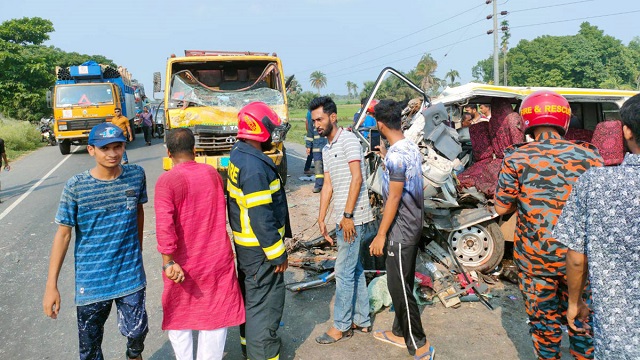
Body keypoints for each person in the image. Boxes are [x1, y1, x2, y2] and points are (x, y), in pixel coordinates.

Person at [494, 90, 602, 360]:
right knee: (582, 324)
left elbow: (501, 207)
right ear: (564, 120)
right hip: (580, 259)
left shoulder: (516, 158)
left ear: (528, 122)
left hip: (535, 261)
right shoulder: (591, 157)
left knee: (544, 327)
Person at [42, 123, 148, 360]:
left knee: (137, 335)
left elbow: (138, 212)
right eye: (105, 148)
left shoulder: (136, 176)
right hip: (92, 282)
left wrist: (138, 250)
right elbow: (63, 234)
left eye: (118, 146)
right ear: (91, 150)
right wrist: (52, 285)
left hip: (130, 275)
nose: (112, 154)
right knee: (90, 349)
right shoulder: (76, 186)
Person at [553, 93, 640, 359]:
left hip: (619, 338)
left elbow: (577, 259)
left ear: (625, 131)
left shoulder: (595, 183)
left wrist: (574, 302)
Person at [155, 128, 245, 360]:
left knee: (179, 313)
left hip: (182, 263)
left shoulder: (167, 181)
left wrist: (168, 262)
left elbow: (165, 226)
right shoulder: (211, 173)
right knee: (215, 314)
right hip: (216, 258)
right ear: (195, 150)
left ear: (168, 152)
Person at [369, 100, 434, 360]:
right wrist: (385, 157)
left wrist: (381, 234)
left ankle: (420, 344)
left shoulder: (397, 154)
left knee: (399, 289)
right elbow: (402, 178)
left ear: (380, 124)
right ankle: (398, 331)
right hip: (414, 224)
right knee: (403, 280)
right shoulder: (408, 147)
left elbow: (394, 198)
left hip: (400, 230)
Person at [227, 101, 291, 360]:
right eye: (271, 128)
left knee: (252, 302)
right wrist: (277, 253)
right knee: (265, 307)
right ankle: (264, 355)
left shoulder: (240, 153)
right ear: (258, 129)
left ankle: (249, 347)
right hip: (261, 250)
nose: (274, 133)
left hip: (248, 249)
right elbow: (261, 217)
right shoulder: (254, 167)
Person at [310, 96, 376, 345]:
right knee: (354, 269)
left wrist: (347, 216)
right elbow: (327, 184)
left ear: (333, 117)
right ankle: (362, 319)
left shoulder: (348, 139)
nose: (316, 124)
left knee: (343, 272)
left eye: (320, 119)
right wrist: (321, 216)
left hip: (354, 217)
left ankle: (341, 326)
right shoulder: (326, 147)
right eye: (314, 120)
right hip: (341, 217)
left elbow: (357, 178)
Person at [305, 109, 328, 193]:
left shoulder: (327, 121)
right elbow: (310, 135)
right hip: (316, 149)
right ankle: (318, 185)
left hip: (327, 147)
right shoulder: (312, 122)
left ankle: (328, 185)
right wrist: (308, 146)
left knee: (327, 167)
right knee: (318, 167)